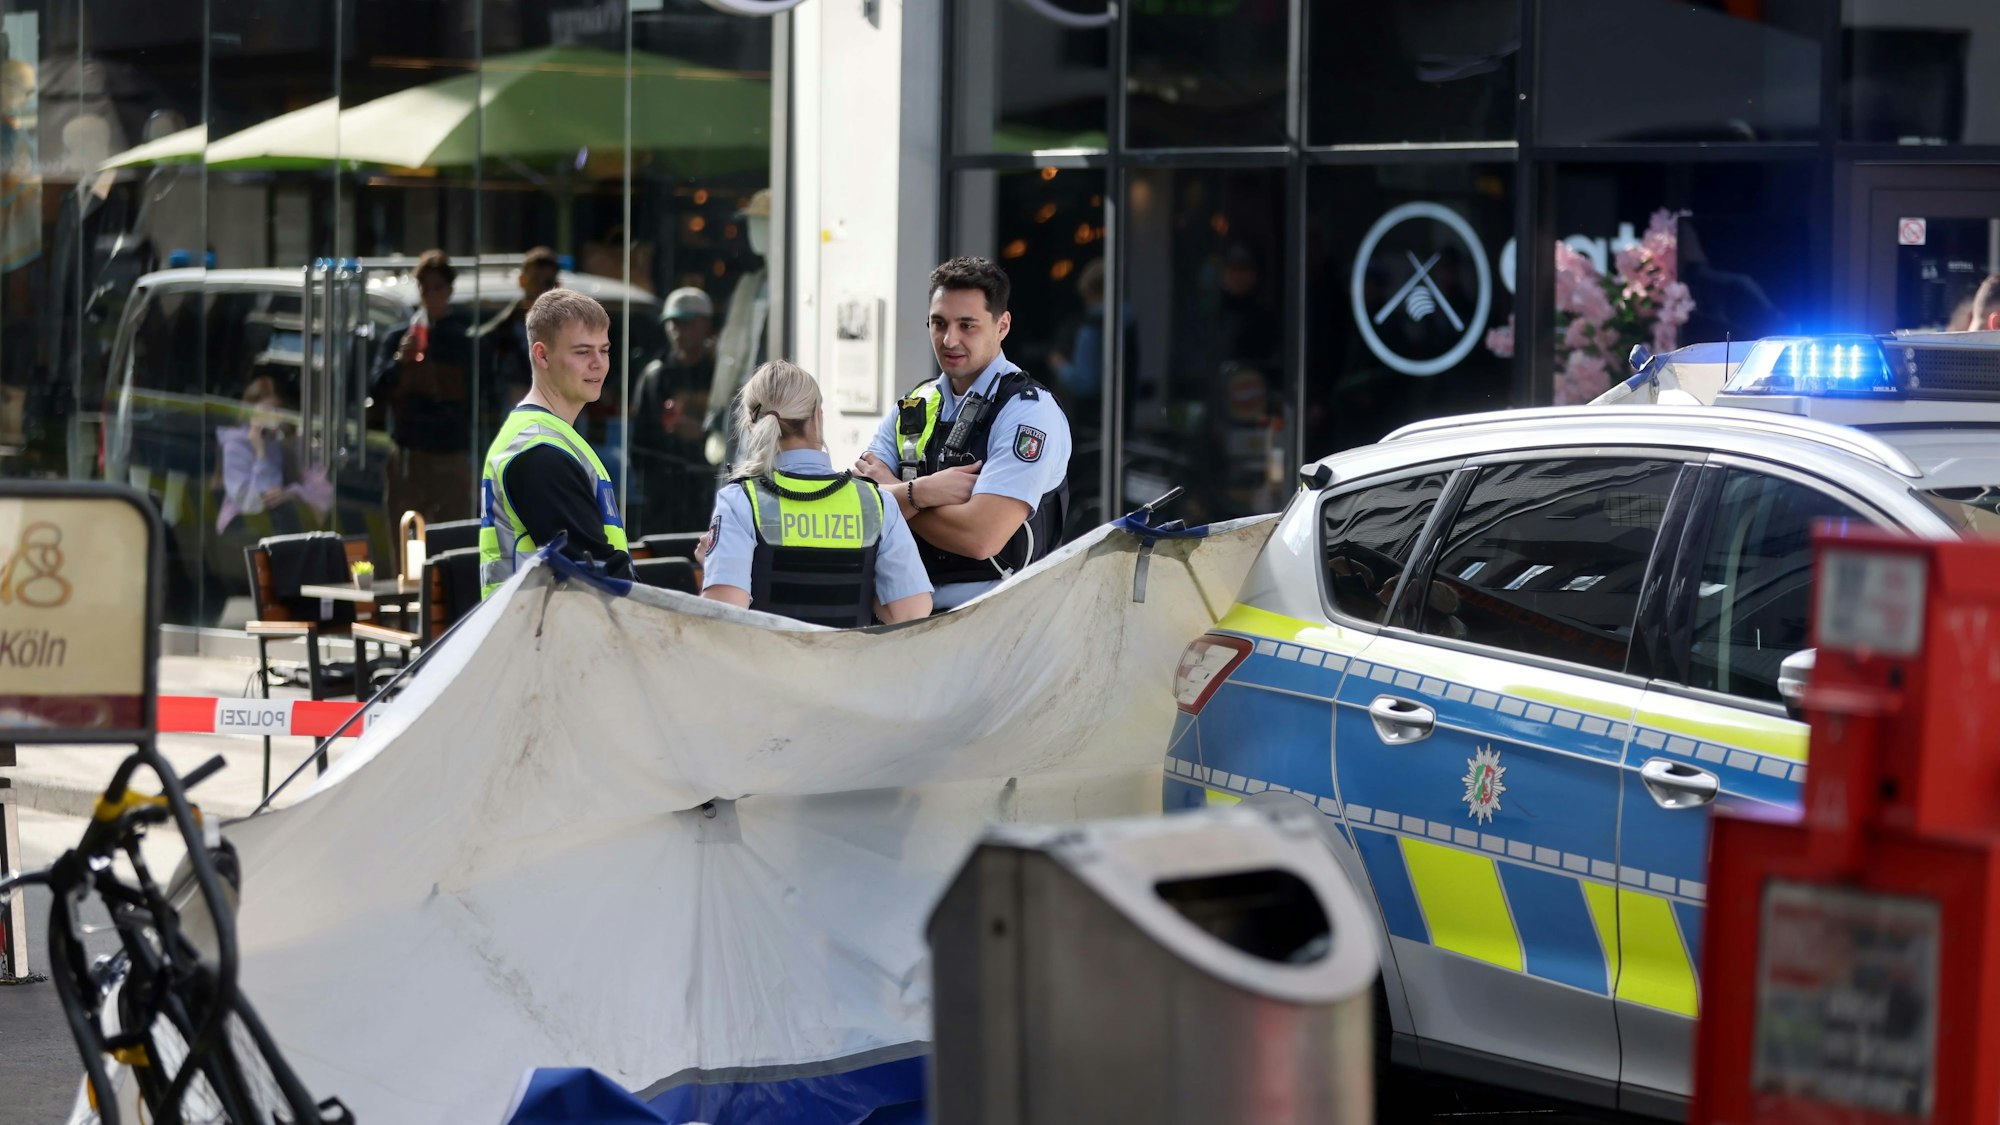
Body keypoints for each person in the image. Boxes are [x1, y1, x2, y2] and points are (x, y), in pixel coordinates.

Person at [852, 256, 1071, 611]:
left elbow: (981, 537)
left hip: (996, 622)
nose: (949, 339)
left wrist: (900, 494)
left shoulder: (1029, 412)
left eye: (967, 325)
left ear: (1002, 326)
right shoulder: (916, 402)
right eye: (938, 323)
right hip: (905, 617)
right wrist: (922, 492)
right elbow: (858, 509)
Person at [701, 360, 931, 626]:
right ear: (818, 417)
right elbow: (912, 613)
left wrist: (714, 563)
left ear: (753, 426)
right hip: (851, 665)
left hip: (770, 666)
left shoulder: (740, 501)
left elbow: (724, 617)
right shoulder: (876, 502)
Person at [478, 289, 632, 599]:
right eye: (582, 352)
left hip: (544, 634)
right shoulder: (538, 451)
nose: (599, 364)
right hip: (542, 638)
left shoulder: (549, 439)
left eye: (604, 350)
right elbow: (593, 574)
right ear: (542, 355)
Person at [370, 250, 475, 523]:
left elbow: (476, 394)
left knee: (450, 540)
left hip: (449, 454)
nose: (430, 295)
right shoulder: (398, 337)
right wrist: (400, 361)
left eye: (437, 288)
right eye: (424, 288)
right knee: (406, 540)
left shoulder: (463, 340)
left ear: (449, 290)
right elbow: (377, 389)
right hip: (408, 453)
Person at [630, 286, 717, 532]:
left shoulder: (721, 375)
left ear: (705, 325)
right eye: (672, 324)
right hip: (663, 498)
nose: (678, 331)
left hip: (708, 492)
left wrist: (703, 435)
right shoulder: (655, 377)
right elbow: (639, 441)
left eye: (687, 323)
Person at [216, 376, 332, 533]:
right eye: (266, 411)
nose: (272, 417)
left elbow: (275, 492)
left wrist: (291, 493)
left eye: (277, 410)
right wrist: (260, 453)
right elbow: (255, 502)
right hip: (240, 525)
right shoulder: (235, 445)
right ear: (251, 411)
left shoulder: (278, 444)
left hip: (271, 523)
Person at [475, 246, 562, 411]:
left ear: (556, 285)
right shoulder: (504, 328)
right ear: (522, 281)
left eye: (547, 283)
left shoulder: (567, 328)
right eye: (535, 281)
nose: (541, 290)